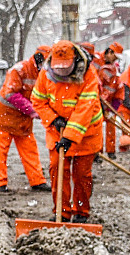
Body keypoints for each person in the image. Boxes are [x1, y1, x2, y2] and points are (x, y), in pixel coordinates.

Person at [31, 40, 104, 223]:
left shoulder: (88, 75)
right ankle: (62, 213)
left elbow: (84, 109)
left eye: (66, 68)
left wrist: (70, 136)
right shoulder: (45, 75)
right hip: (58, 131)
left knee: (82, 175)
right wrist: (53, 119)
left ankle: (81, 212)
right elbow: (38, 100)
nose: (62, 72)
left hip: (86, 133)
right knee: (57, 171)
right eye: (59, 68)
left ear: (75, 61)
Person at [0, 45, 51, 193]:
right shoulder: (18, 70)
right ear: (40, 59)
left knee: (30, 151)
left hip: (23, 121)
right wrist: (32, 110)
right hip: (4, 119)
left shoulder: (44, 74)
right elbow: (10, 94)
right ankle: (0, 183)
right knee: (0, 154)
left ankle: (37, 181)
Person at [96, 43, 123, 158]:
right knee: (96, 128)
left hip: (109, 102)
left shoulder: (114, 69)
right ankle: (97, 152)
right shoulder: (97, 63)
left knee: (111, 126)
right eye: (115, 57)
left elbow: (117, 89)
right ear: (110, 52)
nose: (115, 60)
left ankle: (111, 151)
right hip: (97, 101)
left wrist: (114, 107)